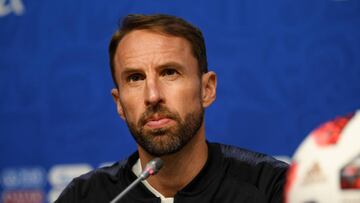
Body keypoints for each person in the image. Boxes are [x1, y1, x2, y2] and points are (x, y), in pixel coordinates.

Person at [55, 14, 288, 203]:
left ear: (207, 89)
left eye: (169, 73)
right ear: (119, 103)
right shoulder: (86, 197)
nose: (153, 96)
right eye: (135, 78)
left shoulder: (270, 188)